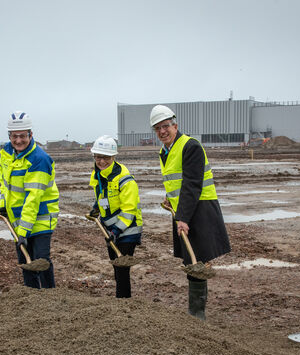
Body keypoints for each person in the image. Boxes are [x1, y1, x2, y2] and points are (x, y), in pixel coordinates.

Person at [149, 104, 231, 320]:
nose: (162, 132)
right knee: (191, 261)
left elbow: (193, 184)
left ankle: (197, 314)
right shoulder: (165, 151)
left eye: (165, 126)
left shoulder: (190, 146)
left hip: (199, 211)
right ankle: (196, 313)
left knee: (197, 262)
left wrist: (183, 218)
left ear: (175, 125)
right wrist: (171, 200)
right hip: (184, 209)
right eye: (157, 129)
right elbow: (177, 182)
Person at [0, 111, 59, 289]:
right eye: (14, 136)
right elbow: (4, 185)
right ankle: (31, 299)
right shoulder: (7, 155)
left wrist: (23, 231)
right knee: (25, 262)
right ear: (9, 136)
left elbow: (34, 197)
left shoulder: (39, 159)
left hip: (40, 218)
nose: (18, 141)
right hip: (19, 220)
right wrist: (3, 207)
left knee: (41, 261)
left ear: (31, 135)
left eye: (23, 136)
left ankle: (50, 297)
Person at [88, 135, 143, 298]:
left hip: (128, 230)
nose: (101, 161)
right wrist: (96, 208)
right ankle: (121, 301)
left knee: (121, 268)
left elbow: (129, 210)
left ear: (113, 157)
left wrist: (117, 231)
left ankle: (123, 303)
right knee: (116, 267)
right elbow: (103, 196)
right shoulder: (98, 175)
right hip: (111, 230)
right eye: (98, 157)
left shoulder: (125, 179)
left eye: (105, 157)